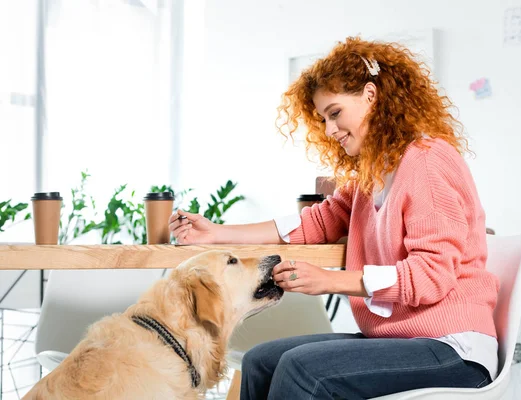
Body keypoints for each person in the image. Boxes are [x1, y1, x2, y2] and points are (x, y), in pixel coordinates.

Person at [169, 37, 500, 400]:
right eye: (324, 118)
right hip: (399, 338)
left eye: (335, 113)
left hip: (452, 349)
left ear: (371, 96)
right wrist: (217, 233)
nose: (329, 130)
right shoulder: (370, 174)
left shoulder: (427, 159)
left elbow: (431, 276)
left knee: (302, 370)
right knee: (262, 361)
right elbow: (318, 222)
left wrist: (331, 280)